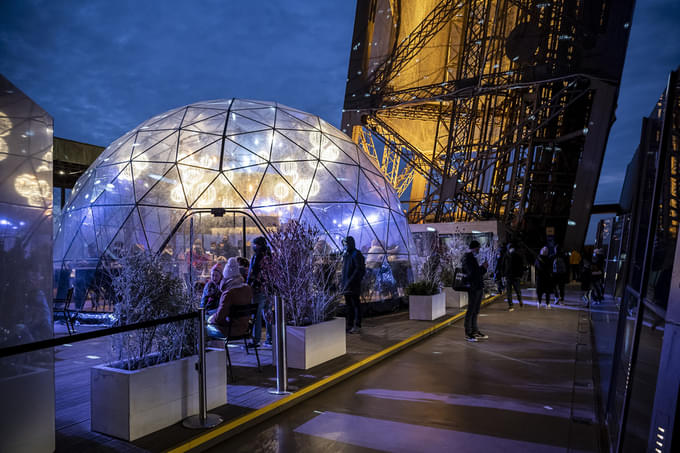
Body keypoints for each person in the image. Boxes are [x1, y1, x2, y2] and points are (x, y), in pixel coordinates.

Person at [208, 257, 252, 336]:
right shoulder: (247, 289)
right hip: (246, 328)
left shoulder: (229, 293)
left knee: (205, 327)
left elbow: (219, 317)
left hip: (230, 329)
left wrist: (210, 319)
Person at [247, 236, 272, 346]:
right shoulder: (269, 256)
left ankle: (256, 339)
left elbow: (253, 272)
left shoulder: (258, 257)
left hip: (258, 289)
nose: (253, 246)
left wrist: (248, 285)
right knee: (267, 314)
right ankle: (270, 338)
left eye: (254, 244)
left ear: (258, 245)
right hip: (268, 289)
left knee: (256, 315)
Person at [462, 240, 488, 342]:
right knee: (471, 310)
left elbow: (476, 273)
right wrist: (482, 268)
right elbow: (472, 274)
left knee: (475, 310)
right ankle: (468, 333)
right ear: (474, 247)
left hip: (478, 287)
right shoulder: (467, 258)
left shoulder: (472, 258)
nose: (479, 250)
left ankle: (474, 330)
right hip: (473, 288)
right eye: (478, 248)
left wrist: (483, 268)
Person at [342, 236, 366, 334]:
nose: (345, 246)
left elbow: (358, 269)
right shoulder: (347, 254)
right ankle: (350, 325)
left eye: (346, 244)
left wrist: (351, 280)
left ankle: (357, 325)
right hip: (346, 284)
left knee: (355, 304)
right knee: (348, 305)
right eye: (344, 244)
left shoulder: (356, 254)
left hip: (353, 284)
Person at [504, 244, 524, 311]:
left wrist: (520, 275)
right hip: (508, 277)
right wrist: (503, 275)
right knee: (509, 292)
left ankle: (520, 300)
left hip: (516, 277)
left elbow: (521, 266)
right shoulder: (506, 256)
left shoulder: (517, 256)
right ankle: (511, 305)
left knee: (517, 290)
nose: (511, 249)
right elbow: (502, 266)